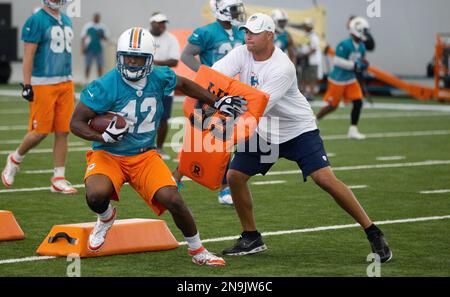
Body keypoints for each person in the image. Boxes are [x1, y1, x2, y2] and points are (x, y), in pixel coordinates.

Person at [210, 13, 392, 263]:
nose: (248, 36)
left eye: (254, 32)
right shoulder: (242, 52)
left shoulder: (282, 67)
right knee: (234, 176)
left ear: (270, 35)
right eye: (246, 31)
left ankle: (373, 232)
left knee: (325, 179)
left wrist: (224, 105)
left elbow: (257, 105)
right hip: (266, 130)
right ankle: (251, 237)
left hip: (297, 130)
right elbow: (213, 76)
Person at [70, 27, 246, 266]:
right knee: (95, 194)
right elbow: (76, 123)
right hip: (109, 154)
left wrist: (216, 101)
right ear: (119, 57)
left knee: (173, 199)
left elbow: (183, 83)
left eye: (138, 58)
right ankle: (105, 217)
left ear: (149, 59)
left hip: (144, 155)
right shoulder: (104, 85)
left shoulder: (159, 76)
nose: (132, 63)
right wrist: (104, 138)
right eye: (127, 57)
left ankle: (198, 251)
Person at [2, 0, 77, 194]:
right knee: (40, 131)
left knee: (63, 130)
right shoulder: (36, 20)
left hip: (65, 82)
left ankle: (58, 177)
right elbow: (28, 55)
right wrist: (27, 84)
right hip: (43, 83)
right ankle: (15, 158)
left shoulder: (67, 19)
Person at [177, 0, 246, 205]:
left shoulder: (240, 32)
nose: (236, 13)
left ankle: (223, 187)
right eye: (233, 9)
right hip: (211, 94)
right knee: (202, 138)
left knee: (225, 139)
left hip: (233, 91)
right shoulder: (206, 32)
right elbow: (187, 55)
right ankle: (223, 189)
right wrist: (205, 75)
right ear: (221, 11)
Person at [316, 17, 370, 140]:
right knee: (333, 106)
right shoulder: (345, 44)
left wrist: (363, 64)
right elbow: (337, 60)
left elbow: (361, 60)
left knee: (358, 102)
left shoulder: (361, 46)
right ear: (357, 30)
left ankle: (353, 129)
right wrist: (354, 65)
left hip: (350, 78)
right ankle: (314, 120)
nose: (366, 33)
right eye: (364, 30)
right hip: (338, 79)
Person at [149, 12, 180, 161]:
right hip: (146, 83)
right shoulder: (144, 36)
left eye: (164, 23)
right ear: (151, 23)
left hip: (165, 83)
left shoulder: (171, 39)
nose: (162, 26)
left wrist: (153, 62)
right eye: (159, 23)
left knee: (163, 118)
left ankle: (159, 148)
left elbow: (174, 61)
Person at [297, 18, 322, 101]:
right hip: (307, 60)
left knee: (312, 78)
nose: (304, 27)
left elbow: (314, 49)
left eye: (306, 26)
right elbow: (306, 46)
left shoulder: (314, 37)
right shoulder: (307, 36)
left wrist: (303, 55)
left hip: (313, 61)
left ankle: (311, 94)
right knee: (304, 77)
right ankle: (304, 93)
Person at [81, 13, 110, 84]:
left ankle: (99, 81)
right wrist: (82, 48)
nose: (96, 18)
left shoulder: (102, 27)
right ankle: (86, 81)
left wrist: (102, 36)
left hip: (99, 49)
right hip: (89, 49)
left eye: (98, 17)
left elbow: (107, 38)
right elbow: (83, 37)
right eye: (95, 17)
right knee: (88, 65)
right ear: (93, 17)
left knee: (100, 65)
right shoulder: (88, 26)